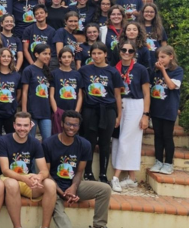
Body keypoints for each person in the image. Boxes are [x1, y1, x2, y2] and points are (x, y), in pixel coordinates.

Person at [43, 111, 112, 228]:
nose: (71, 128)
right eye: (68, 123)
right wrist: (63, 193)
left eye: (75, 125)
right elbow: (46, 174)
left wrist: (73, 188)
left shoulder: (84, 144)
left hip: (73, 184)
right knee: (60, 215)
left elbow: (79, 171)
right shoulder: (49, 143)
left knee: (104, 189)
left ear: (79, 126)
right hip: (53, 188)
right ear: (61, 124)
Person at [0, 112, 59, 228]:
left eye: (25, 125)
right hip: (9, 178)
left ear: (31, 126)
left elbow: (44, 170)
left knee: (49, 184)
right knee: (13, 184)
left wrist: (39, 177)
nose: (22, 128)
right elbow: (5, 170)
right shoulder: (4, 141)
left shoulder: (35, 143)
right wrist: (25, 179)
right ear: (14, 125)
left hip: (27, 178)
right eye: (19, 125)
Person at [79, 42, 123, 182]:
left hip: (108, 110)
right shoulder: (84, 70)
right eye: (94, 53)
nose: (96, 56)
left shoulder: (113, 71)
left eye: (99, 53)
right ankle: (88, 172)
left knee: (104, 143)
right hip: (90, 110)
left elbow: (117, 95)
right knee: (89, 142)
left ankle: (103, 174)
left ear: (105, 54)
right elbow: (81, 93)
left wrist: (119, 115)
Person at [110, 41, 150, 192]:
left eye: (130, 51)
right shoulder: (114, 69)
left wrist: (145, 114)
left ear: (134, 53)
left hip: (135, 104)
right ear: (119, 51)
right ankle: (132, 178)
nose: (126, 52)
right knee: (117, 140)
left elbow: (147, 93)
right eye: (124, 50)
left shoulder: (141, 69)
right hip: (119, 103)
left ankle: (115, 177)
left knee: (127, 139)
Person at [149, 46, 184, 175]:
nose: (160, 60)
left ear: (171, 57)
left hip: (169, 109)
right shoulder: (154, 71)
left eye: (163, 57)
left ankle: (168, 163)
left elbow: (171, 86)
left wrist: (163, 70)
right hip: (157, 108)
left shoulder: (177, 71)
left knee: (167, 136)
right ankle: (158, 161)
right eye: (158, 57)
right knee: (157, 136)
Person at [21, 43, 53, 139]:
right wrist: (24, 112)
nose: (47, 56)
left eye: (49, 54)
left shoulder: (47, 71)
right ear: (36, 54)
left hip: (46, 111)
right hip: (32, 111)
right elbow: (24, 92)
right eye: (44, 53)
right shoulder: (29, 70)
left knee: (47, 140)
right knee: (30, 140)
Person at [0, 48, 21, 134]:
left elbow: (19, 91)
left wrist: (13, 103)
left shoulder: (16, 75)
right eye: (3, 56)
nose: (6, 58)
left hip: (11, 111)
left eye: (9, 56)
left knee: (11, 136)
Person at [50, 47, 83, 134]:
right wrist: (56, 111)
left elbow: (80, 96)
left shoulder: (77, 74)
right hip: (59, 110)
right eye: (64, 57)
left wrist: (76, 112)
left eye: (69, 56)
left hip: (73, 111)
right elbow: (51, 95)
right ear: (60, 59)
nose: (66, 59)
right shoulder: (54, 74)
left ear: (72, 58)